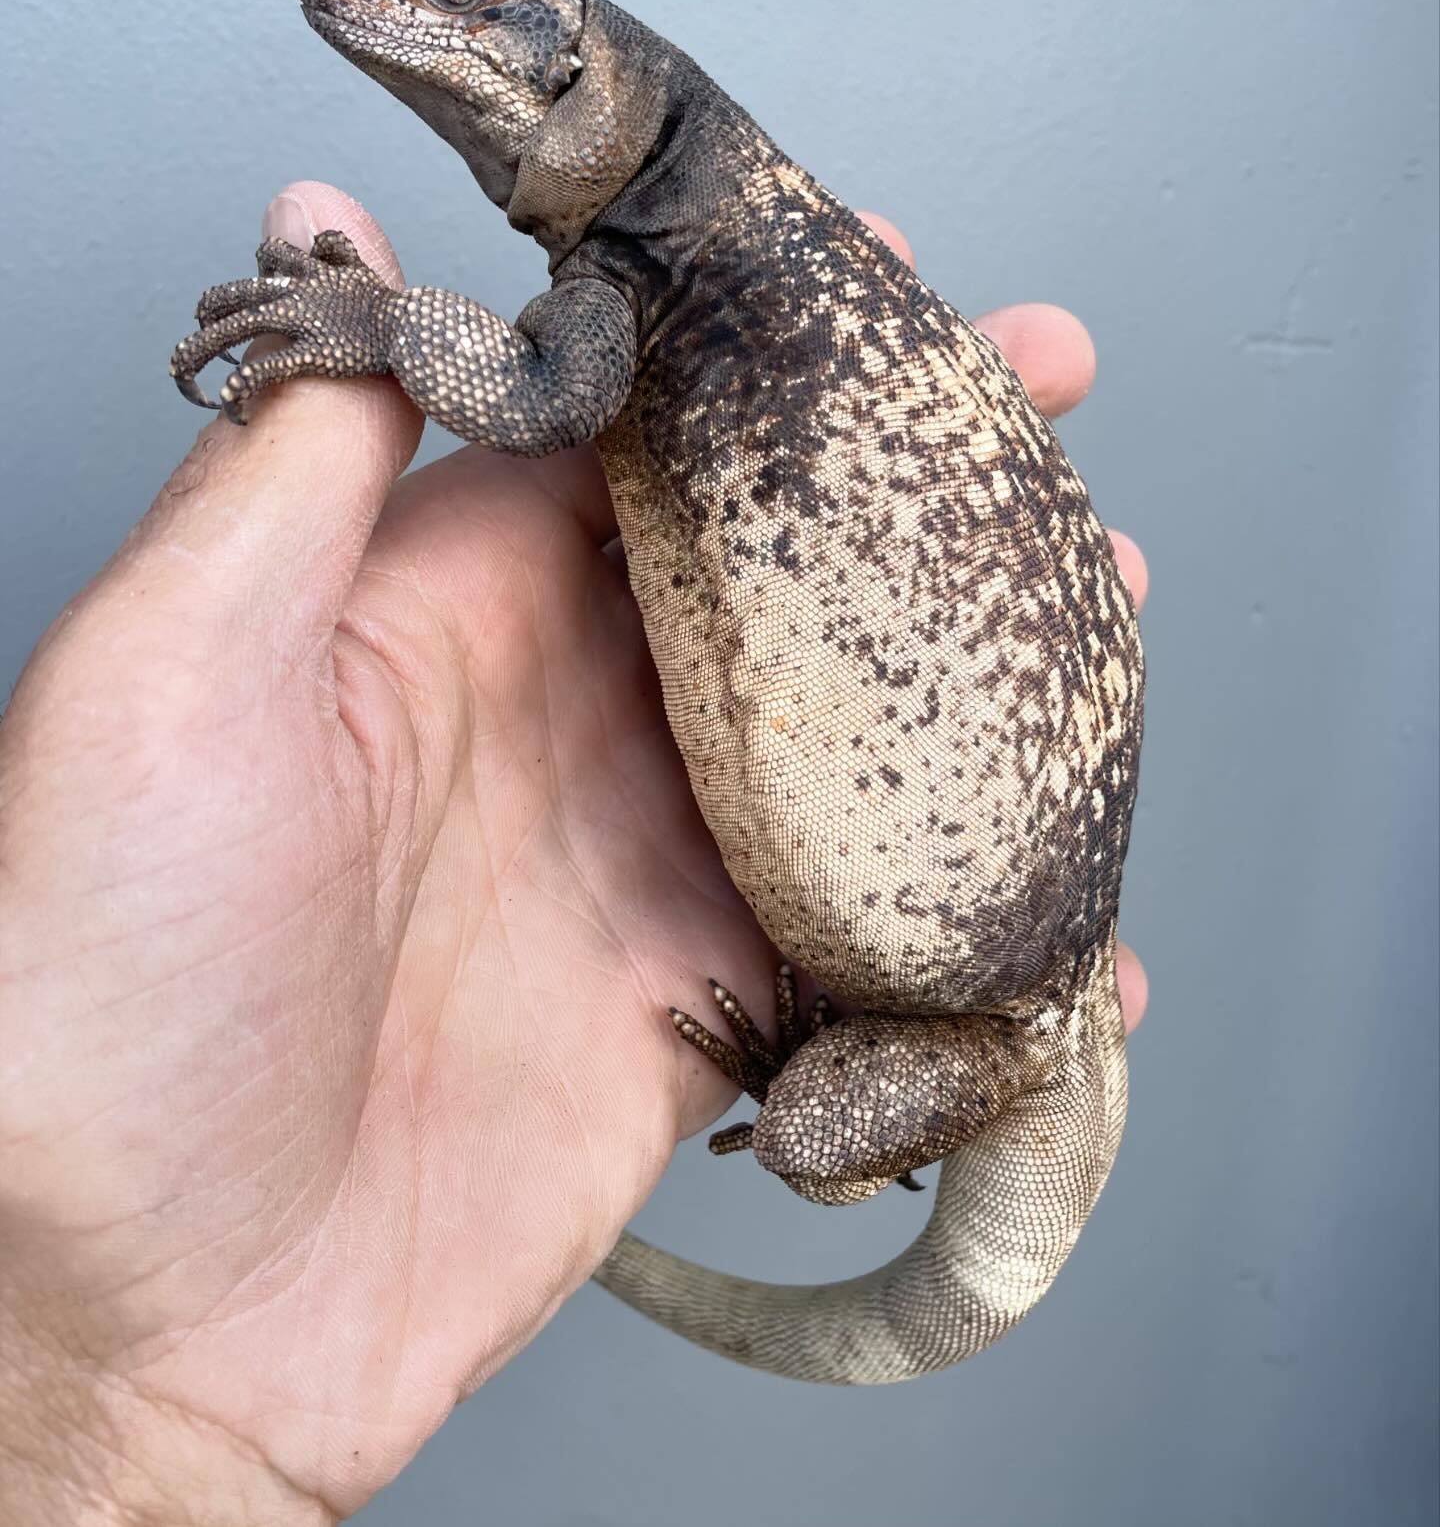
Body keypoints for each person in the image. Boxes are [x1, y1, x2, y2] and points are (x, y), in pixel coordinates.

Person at [0, 183, 1150, 1522]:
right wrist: (84, 1377)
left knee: (809, 1139)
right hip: (952, 902)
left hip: (1000, 1003)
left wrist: (103, 1408)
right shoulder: (665, 284)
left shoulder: (687, 279)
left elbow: (542, 388)